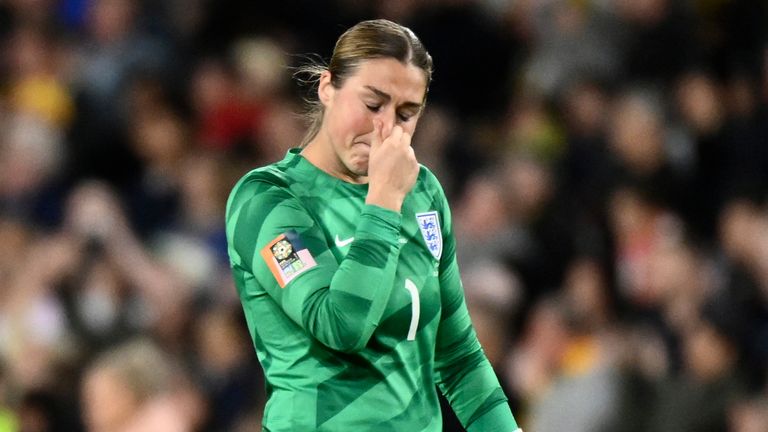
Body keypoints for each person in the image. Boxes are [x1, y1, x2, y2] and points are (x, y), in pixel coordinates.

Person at [225, 19, 521, 431]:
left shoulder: (423, 194)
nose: (387, 128)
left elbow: (457, 356)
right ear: (327, 87)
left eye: (406, 113)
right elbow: (340, 325)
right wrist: (382, 201)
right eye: (372, 104)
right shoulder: (266, 198)